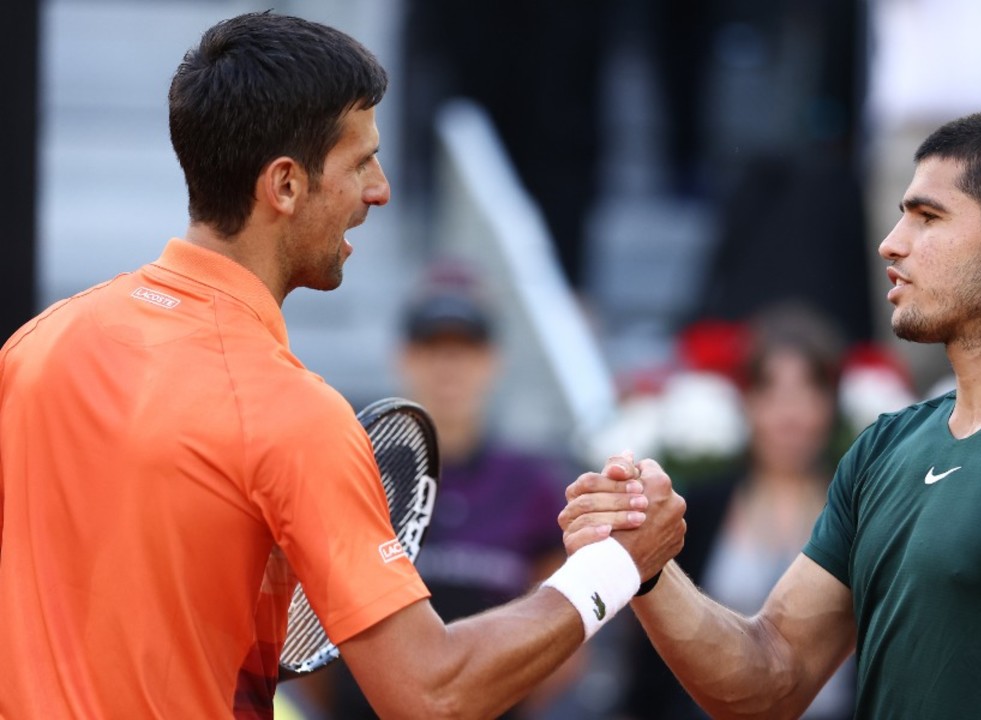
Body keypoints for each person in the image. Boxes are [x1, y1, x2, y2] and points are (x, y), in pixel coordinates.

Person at [0, 12, 684, 719]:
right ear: (286, 186)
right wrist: (616, 568)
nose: (381, 189)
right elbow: (431, 691)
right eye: (360, 163)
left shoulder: (34, 349)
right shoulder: (293, 415)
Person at [564, 109, 981, 717]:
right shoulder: (883, 449)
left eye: (928, 217)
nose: (891, 245)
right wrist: (648, 566)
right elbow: (768, 681)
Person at [318, 260, 581, 718]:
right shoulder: (353, 473)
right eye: (432, 348)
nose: (448, 366)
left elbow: (566, 625)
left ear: (492, 361)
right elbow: (310, 617)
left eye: (465, 349)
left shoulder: (532, 485)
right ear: (404, 357)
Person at [621, 301, 855, 720]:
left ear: (830, 406)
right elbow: (655, 644)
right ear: (747, 402)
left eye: (807, 393)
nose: (790, 416)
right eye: (773, 393)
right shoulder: (700, 508)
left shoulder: (861, 505)